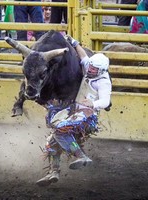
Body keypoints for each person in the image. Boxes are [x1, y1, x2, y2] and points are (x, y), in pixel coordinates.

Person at [36, 36, 112, 187]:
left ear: (101, 71)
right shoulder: (90, 68)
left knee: (59, 131)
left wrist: (93, 103)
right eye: (90, 67)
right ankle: (53, 172)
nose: (89, 70)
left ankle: (81, 156)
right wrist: (75, 43)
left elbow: (106, 101)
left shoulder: (103, 81)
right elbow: (84, 56)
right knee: (53, 141)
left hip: (87, 118)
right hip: (75, 113)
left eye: (93, 69)